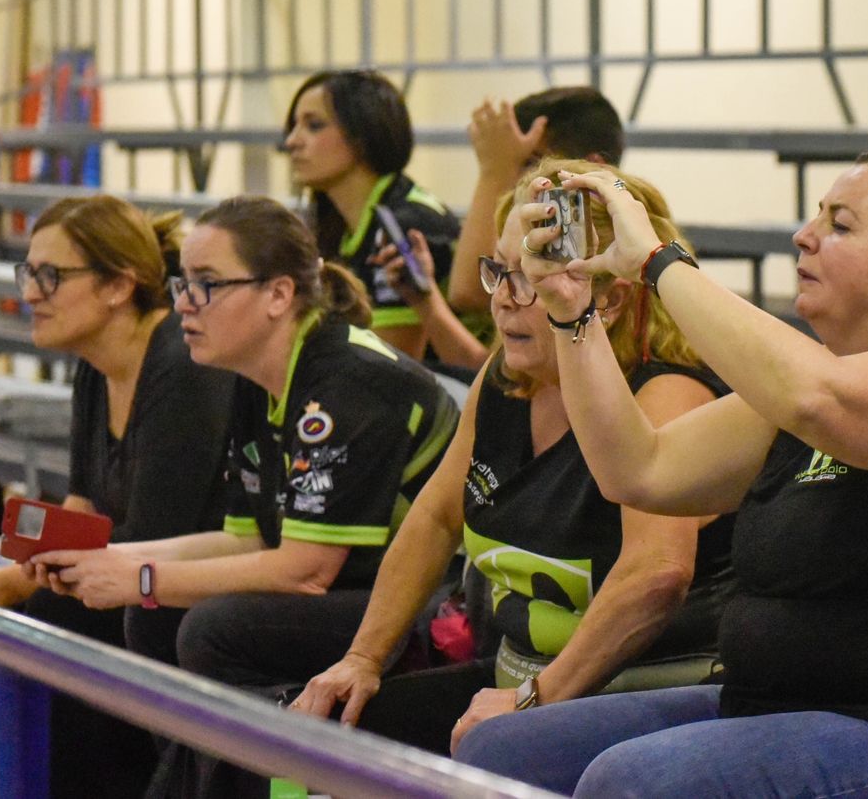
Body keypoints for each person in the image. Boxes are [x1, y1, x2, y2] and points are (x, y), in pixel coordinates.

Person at [455, 143, 868, 797]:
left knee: (633, 784)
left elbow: (819, 399)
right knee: (505, 750)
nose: (803, 237)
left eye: (839, 225)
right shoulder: (813, 384)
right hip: (774, 707)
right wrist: (569, 310)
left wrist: (657, 263)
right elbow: (638, 469)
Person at [292, 159, 733, 758]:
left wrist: (534, 699)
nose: (501, 300)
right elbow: (435, 519)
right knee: (329, 726)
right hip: (524, 678)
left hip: (649, 685)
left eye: (530, 276)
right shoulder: (504, 378)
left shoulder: (666, 393)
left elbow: (655, 575)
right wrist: (363, 658)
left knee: (491, 751)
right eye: (499, 270)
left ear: (608, 298)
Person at [32, 195, 458, 690]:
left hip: (430, 603)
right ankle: (187, 771)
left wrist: (141, 577)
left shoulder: (348, 382)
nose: (184, 303)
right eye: (183, 283)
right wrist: (113, 560)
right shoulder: (256, 376)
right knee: (154, 616)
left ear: (278, 294)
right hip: (353, 584)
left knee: (211, 629)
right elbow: (246, 537)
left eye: (207, 285)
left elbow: (305, 572)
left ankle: (259, 770)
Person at [0, 196, 234, 799]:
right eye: (27, 273)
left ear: (119, 285)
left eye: (50, 276)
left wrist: (4, 586)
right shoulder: (95, 363)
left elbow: (145, 548)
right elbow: (83, 518)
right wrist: (13, 574)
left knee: (37, 627)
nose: (30, 292)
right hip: (120, 578)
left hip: (175, 592)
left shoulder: (182, 364)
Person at [378, 86, 626, 371]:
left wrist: (494, 171)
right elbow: (500, 379)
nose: (504, 297)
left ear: (593, 166)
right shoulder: (522, 221)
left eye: (530, 162)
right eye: (501, 269)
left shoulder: (610, 241)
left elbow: (467, 293)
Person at [284, 69, 461, 358]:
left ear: (363, 134)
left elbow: (394, 362)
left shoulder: (406, 223)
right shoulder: (339, 224)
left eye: (314, 125)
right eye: (293, 126)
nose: (292, 141)